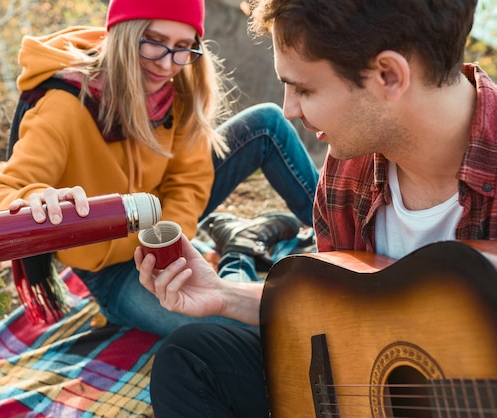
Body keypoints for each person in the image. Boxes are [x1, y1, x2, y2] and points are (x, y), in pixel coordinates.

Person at [136, 0, 497, 416]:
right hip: (355, 388)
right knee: (191, 359)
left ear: (388, 76)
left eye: (304, 89)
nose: (288, 110)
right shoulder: (349, 167)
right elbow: (333, 312)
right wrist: (222, 293)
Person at [0, 0, 319, 336]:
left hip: (157, 227)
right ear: (126, 34)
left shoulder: (177, 88)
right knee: (248, 333)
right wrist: (34, 199)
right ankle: (241, 249)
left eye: (183, 47)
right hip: (114, 270)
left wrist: (170, 240)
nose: (168, 64)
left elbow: (189, 181)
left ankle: (338, 237)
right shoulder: (64, 106)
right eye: (154, 42)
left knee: (267, 122)